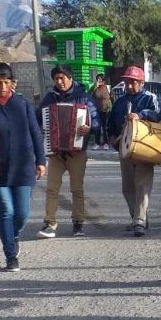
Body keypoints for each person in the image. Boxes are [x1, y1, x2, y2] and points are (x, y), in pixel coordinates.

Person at [0, 62, 46, 272]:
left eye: (6, 82)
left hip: (23, 165)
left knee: (22, 213)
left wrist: (41, 160)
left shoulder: (22, 103)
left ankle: (13, 235)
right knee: (6, 210)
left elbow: (35, 132)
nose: (2, 87)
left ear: (12, 83)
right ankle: (10, 255)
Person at [36, 65, 99, 239]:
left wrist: (89, 127)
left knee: (76, 189)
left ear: (70, 78)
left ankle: (78, 223)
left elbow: (96, 119)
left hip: (77, 152)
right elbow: (37, 118)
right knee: (52, 189)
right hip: (55, 151)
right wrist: (43, 128)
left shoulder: (83, 97)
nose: (59, 81)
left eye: (62, 78)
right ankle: (50, 223)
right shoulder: (49, 98)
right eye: (56, 78)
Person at [108, 66, 161, 237]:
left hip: (143, 147)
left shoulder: (150, 98)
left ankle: (139, 220)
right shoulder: (119, 102)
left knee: (142, 184)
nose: (129, 86)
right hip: (124, 148)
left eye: (133, 82)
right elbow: (111, 122)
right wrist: (111, 137)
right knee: (128, 187)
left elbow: (158, 115)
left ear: (142, 82)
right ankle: (138, 217)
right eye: (127, 82)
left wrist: (141, 114)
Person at [90, 74, 112, 151]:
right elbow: (89, 95)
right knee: (97, 127)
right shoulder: (95, 88)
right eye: (97, 79)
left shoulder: (108, 88)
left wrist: (111, 108)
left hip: (106, 111)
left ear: (103, 80)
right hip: (96, 111)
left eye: (100, 79)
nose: (98, 80)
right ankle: (97, 143)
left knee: (105, 127)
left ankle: (106, 143)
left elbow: (112, 98)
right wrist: (94, 87)